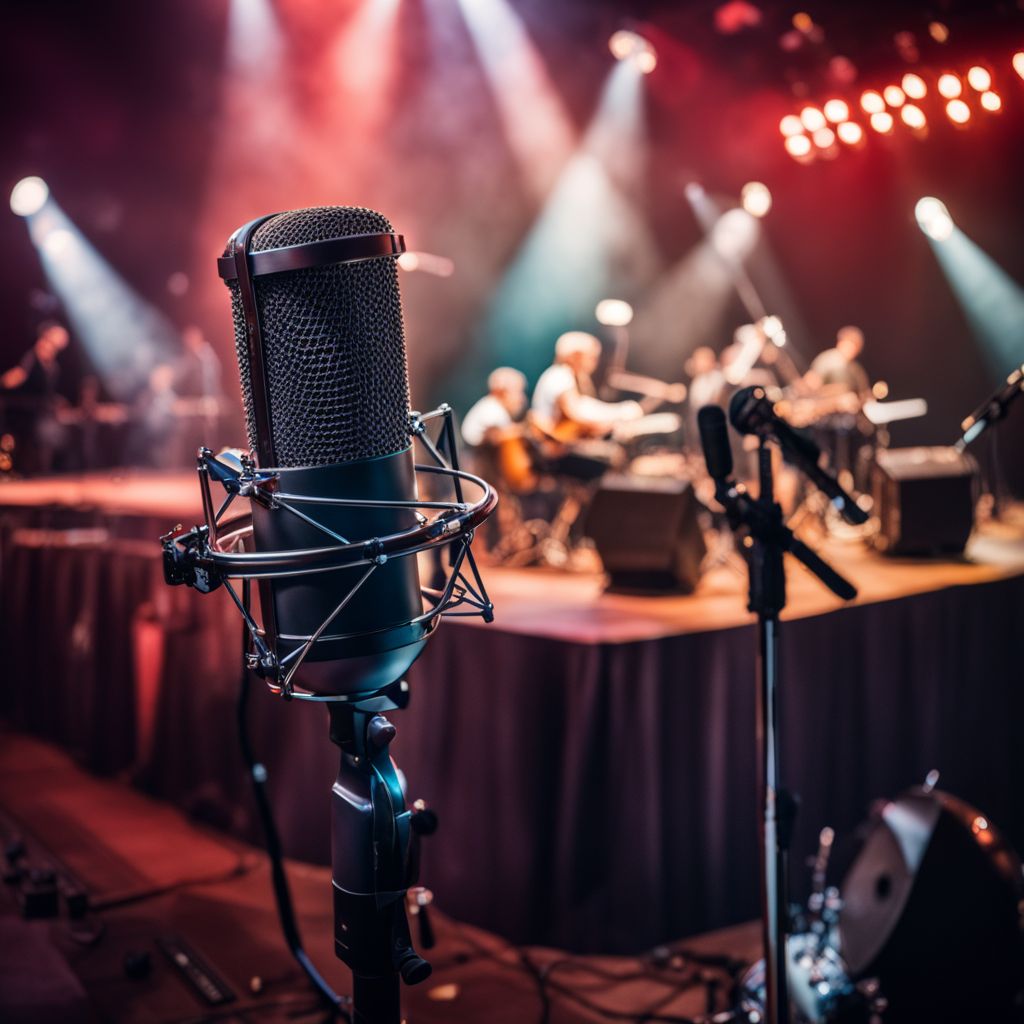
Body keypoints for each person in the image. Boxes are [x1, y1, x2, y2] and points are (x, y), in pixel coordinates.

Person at [531, 331, 642, 438]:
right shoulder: (561, 376)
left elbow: (584, 406)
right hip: (554, 448)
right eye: (591, 358)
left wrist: (618, 412)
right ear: (575, 356)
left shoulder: (560, 374)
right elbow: (576, 416)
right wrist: (615, 419)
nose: (594, 363)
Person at [0, 321, 70, 474]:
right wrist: (5, 383)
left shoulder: (53, 365)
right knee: (36, 438)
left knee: (50, 436)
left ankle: (41, 472)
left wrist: (56, 401)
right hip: (25, 411)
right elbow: (19, 375)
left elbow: (45, 391)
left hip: (39, 411)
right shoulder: (32, 359)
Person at [461, 367, 528, 448]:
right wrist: (525, 429)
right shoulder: (492, 409)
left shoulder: (491, 406)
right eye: (519, 392)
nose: (522, 399)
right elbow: (496, 436)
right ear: (501, 392)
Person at [805, 325, 870, 398]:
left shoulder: (856, 369)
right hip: (826, 403)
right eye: (848, 345)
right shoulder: (826, 360)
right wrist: (836, 392)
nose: (850, 350)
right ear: (840, 343)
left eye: (854, 347)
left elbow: (864, 392)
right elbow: (810, 387)